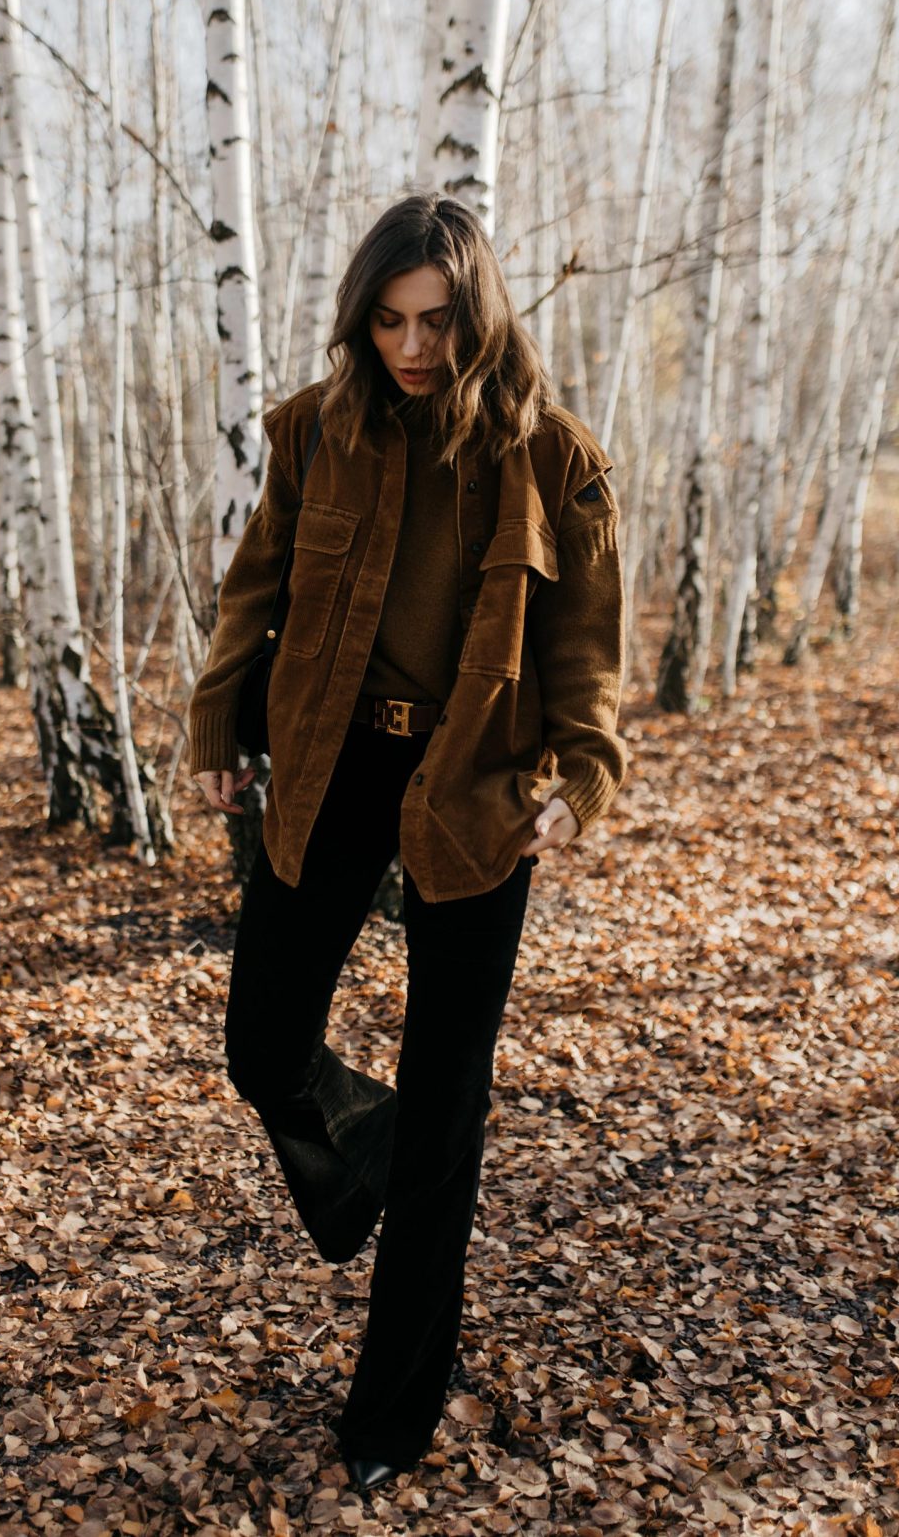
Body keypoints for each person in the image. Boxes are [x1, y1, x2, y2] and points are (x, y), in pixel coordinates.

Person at [189, 191, 627, 1495]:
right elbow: (252, 592)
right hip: (328, 755)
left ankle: (393, 1413)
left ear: (478, 312)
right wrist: (219, 726)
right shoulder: (316, 434)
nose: (411, 347)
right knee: (262, 1043)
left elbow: (587, 652)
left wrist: (583, 779)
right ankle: (358, 1141)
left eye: (435, 320)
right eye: (386, 321)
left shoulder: (557, 459)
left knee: (447, 1115)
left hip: (477, 778)